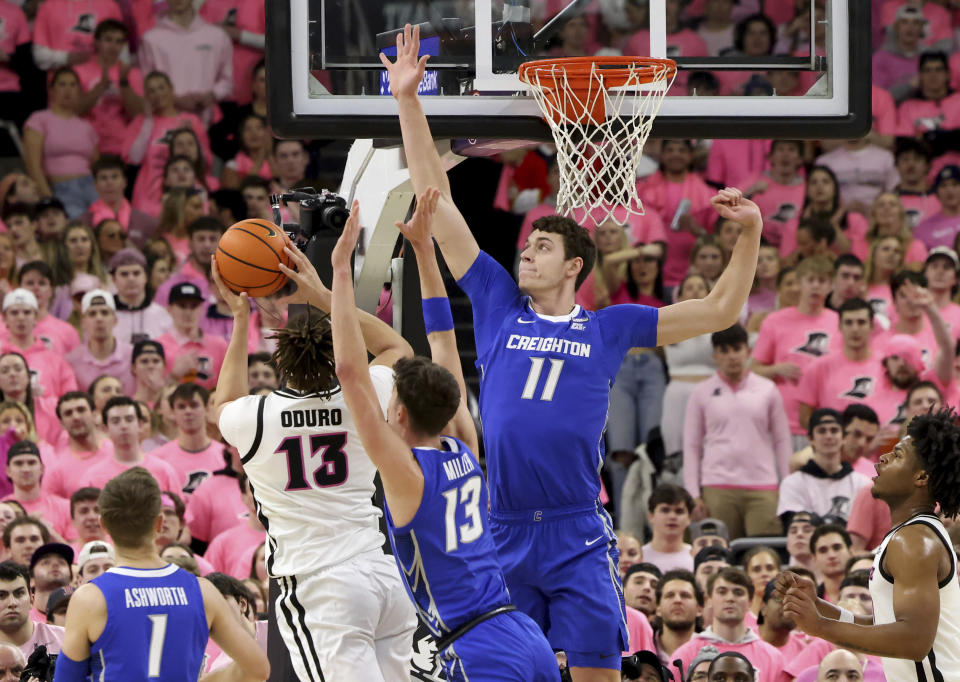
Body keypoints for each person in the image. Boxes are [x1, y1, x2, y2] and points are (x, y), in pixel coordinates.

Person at [384, 26, 765, 680]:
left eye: (540, 249)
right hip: (502, 527)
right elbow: (436, 203)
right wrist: (408, 102)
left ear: (574, 267)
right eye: (526, 247)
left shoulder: (608, 327)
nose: (524, 253)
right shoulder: (500, 302)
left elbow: (719, 312)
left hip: (574, 531)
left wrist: (750, 233)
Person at [328, 193, 560, 678]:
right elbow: (443, 339)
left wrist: (340, 271)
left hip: (480, 647)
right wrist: (423, 251)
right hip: (523, 633)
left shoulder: (407, 473)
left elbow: (350, 373)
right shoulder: (464, 445)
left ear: (400, 413)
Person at [213, 231, 418, 677]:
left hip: (321, 584)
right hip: (382, 573)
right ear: (340, 358)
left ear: (281, 364)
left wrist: (238, 317)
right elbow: (397, 348)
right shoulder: (363, 397)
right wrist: (324, 295)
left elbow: (221, 405)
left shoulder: (258, 417)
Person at [778, 408, 960, 679]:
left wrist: (820, 627)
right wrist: (818, 606)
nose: (883, 457)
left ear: (921, 477)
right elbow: (883, 625)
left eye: (898, 455)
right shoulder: (909, 534)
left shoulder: (914, 540)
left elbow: (914, 640)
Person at [54, 467, 269, 680]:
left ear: (104, 525)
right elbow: (258, 669)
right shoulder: (202, 591)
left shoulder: (90, 598)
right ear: (159, 523)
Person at [683, 324, 791, 539]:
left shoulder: (768, 389)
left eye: (736, 349)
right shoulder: (700, 392)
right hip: (717, 486)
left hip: (763, 486)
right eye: (724, 351)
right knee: (722, 557)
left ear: (748, 352)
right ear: (715, 355)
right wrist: (693, 494)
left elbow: (782, 441)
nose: (732, 356)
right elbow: (691, 446)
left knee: (766, 555)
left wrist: (787, 486)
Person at [752, 256, 839, 449]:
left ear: (831, 286)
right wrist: (777, 369)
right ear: (800, 283)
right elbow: (753, 370)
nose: (816, 286)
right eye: (810, 280)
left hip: (826, 424)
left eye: (822, 281)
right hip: (781, 421)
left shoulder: (839, 322)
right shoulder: (775, 321)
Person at [671, 568, 784, 682]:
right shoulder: (684, 655)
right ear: (709, 599)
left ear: (750, 601)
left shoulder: (773, 658)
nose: (730, 598)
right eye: (722, 591)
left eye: (738, 592)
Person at [138, 0, 233, 126]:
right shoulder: (151, 39)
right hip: (166, 123)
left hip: (209, 122)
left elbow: (228, 81)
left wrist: (213, 94)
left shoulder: (217, 36)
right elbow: (145, 83)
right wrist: (173, 99)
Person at [22, 68, 100, 219]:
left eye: (72, 85)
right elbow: (33, 165)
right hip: (60, 187)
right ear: (51, 90)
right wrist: (48, 198)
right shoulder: (39, 120)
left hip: (90, 186)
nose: (68, 90)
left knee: (103, 224)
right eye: (62, 84)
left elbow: (96, 165)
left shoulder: (86, 127)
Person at [777, 409, 872, 524]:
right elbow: (796, 527)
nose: (828, 436)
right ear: (811, 438)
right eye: (822, 431)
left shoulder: (862, 484)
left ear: (843, 438)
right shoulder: (793, 483)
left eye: (834, 430)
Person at [796, 299, 879, 427]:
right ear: (839, 327)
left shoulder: (885, 365)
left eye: (861, 322)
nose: (855, 329)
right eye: (848, 323)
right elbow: (805, 418)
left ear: (872, 326)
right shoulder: (818, 367)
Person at [74, 21, 145, 157]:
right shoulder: (79, 72)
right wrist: (101, 86)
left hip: (122, 148)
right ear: (97, 42)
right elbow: (74, 112)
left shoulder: (132, 74)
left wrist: (124, 83)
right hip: (87, 147)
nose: (113, 46)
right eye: (108, 39)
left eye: (119, 42)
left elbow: (138, 115)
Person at [78, 397, 179, 492]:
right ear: (105, 429)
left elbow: (178, 508)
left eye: (129, 419)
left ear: (140, 424)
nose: (123, 426)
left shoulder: (163, 470)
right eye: (115, 421)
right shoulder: (92, 477)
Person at [152, 383, 223, 495]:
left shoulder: (224, 455)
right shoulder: (158, 459)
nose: (188, 411)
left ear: (207, 408)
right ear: (173, 412)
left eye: (194, 405)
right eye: (181, 406)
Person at [157, 282, 227, 391]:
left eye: (194, 306)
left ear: (202, 309)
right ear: (169, 309)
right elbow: (154, 393)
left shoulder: (219, 345)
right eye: (182, 306)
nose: (188, 312)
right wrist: (174, 375)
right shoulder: (159, 346)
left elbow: (227, 385)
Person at [66, 290, 134, 396]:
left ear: (115, 320)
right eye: (92, 314)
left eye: (105, 313)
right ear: (83, 322)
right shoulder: (71, 361)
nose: (99, 319)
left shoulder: (132, 356)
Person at [3, 441, 71, 541]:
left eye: (31, 463)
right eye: (18, 463)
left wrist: (48, 531)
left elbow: (76, 554)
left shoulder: (65, 507)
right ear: (8, 471)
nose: (26, 469)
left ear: (42, 468)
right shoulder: (2, 510)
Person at [111, 249, 174, 345]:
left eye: (136, 273)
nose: (131, 279)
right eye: (124, 274)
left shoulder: (162, 314)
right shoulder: (105, 315)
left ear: (146, 277)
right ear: (114, 279)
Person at [0, 560, 62, 657]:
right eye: (1, 595)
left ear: (31, 599)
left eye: (19, 593)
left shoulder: (63, 640)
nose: (12, 603)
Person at [653, 569, 703, 667]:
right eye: (670, 595)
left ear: (699, 609)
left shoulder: (711, 651)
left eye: (685, 595)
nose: (677, 600)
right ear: (658, 608)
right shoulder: (645, 646)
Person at [809, 524, 853, 603]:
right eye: (823, 550)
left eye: (837, 548)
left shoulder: (869, 590)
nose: (831, 555)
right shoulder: (811, 601)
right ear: (814, 558)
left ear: (850, 551)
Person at [28, 543, 72, 623]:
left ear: (71, 578)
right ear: (31, 580)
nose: (55, 564)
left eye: (62, 562)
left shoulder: (82, 616)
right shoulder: (24, 621)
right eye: (46, 562)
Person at [67, 490, 110, 554]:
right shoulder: (67, 557)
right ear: (73, 520)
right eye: (84, 511)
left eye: (97, 510)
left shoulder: (123, 553)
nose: (92, 517)